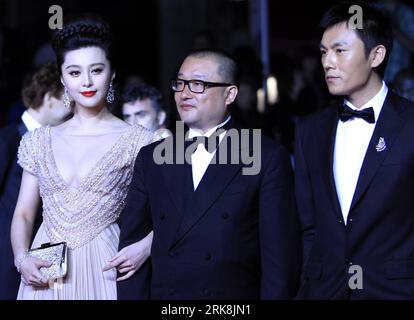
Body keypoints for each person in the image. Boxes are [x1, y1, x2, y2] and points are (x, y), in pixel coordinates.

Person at [116, 48, 301, 300]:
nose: (184, 93)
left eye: (198, 84)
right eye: (180, 83)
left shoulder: (265, 156)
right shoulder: (151, 158)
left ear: (230, 94)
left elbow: (279, 259)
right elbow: (130, 257)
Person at [10, 14, 153, 300]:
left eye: (96, 70)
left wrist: (146, 247)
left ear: (112, 73)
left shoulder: (139, 141)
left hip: (106, 264)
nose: (86, 81)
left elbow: (171, 212)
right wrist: (21, 258)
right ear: (62, 77)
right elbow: (24, 213)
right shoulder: (39, 140)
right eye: (75, 73)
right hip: (45, 269)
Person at [295, 1, 414, 299]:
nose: (327, 62)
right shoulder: (310, 130)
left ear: (376, 55)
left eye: (339, 50)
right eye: (323, 52)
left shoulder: (410, 123)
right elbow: (308, 226)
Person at [0, 62, 69, 300]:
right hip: (6, 259)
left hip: (44, 255)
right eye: (67, 97)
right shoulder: (7, 139)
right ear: (50, 96)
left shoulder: (60, 142)